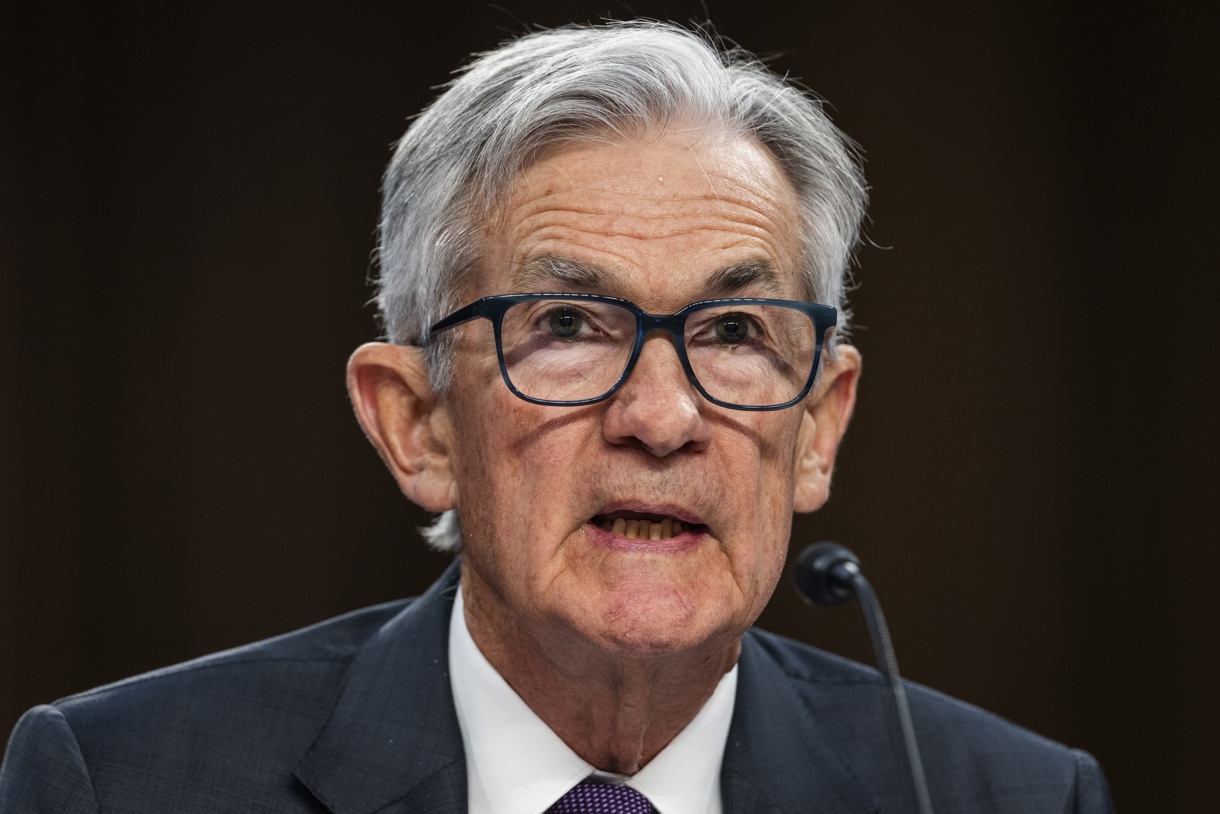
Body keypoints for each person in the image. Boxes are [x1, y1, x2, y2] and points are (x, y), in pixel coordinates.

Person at [0, 21, 1113, 814]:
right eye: (569, 324)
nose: (661, 416)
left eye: (733, 333)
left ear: (817, 425)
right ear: (417, 424)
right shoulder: (123, 782)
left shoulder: (1000, 794)